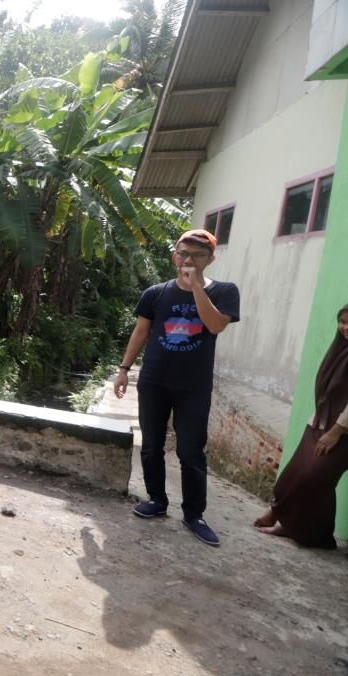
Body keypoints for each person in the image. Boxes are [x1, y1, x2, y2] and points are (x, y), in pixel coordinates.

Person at [113, 228, 241, 546]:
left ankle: (194, 515)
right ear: (174, 257)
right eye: (184, 253)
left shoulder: (225, 291)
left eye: (198, 255)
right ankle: (157, 500)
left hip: (193, 386)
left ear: (210, 259)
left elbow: (215, 325)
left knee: (190, 451)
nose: (189, 260)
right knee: (151, 445)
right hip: (154, 381)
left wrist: (196, 286)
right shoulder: (155, 294)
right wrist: (124, 369)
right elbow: (141, 332)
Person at [254, 304, 348, 548]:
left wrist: (336, 431)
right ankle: (282, 516)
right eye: (342, 322)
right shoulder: (340, 349)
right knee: (294, 473)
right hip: (320, 423)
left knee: (313, 478)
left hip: (341, 431)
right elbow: (327, 392)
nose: (345, 328)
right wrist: (318, 422)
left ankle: (299, 527)